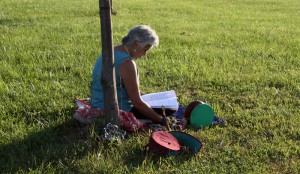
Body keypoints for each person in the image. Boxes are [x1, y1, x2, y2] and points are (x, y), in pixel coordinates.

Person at [90, 25, 172, 124]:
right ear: (135, 45)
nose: (144, 54)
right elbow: (136, 102)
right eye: (145, 49)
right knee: (168, 109)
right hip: (117, 110)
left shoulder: (111, 51)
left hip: (97, 104)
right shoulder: (127, 63)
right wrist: (160, 119)